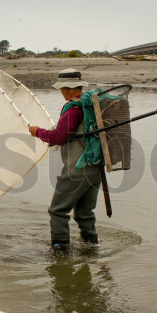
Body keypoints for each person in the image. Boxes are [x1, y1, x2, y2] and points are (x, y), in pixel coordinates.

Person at [28, 69, 101, 249]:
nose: (61, 93)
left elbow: (59, 137)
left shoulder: (73, 109)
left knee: (57, 211)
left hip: (77, 169)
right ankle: (92, 248)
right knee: (84, 213)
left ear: (68, 89)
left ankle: (60, 251)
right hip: (96, 169)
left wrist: (38, 132)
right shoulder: (93, 105)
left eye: (62, 89)